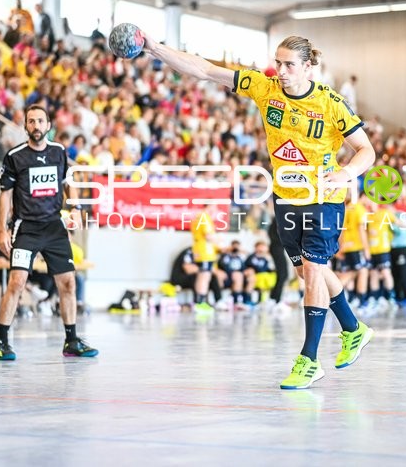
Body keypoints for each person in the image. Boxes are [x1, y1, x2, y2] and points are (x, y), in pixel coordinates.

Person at [141, 32, 375, 389]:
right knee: (308, 274)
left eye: (288, 65)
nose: (279, 70)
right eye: (277, 62)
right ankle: (353, 328)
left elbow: (366, 152)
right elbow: (204, 70)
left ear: (308, 68)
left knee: (312, 271)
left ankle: (309, 360)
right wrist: (154, 48)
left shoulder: (331, 104)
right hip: (285, 197)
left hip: (323, 199)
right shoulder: (264, 88)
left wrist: (343, 174)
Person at [0, 105, 98, 360]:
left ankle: (71, 341)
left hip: (53, 226)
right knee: (17, 282)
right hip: (26, 227)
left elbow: (67, 184)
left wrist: (73, 207)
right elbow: (5, 195)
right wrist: (1, 230)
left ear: (48, 125)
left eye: (41, 121)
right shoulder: (15, 156)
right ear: (26, 126)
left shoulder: (59, 152)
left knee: (68, 283)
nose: (36, 126)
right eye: (31, 121)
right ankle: (2, 342)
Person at [338, 191, 370, 310]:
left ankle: (351, 299)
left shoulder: (345, 209)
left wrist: (341, 247)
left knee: (350, 272)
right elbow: (361, 230)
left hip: (346, 246)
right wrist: (366, 249)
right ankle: (362, 302)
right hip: (357, 246)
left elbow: (341, 230)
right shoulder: (360, 209)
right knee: (362, 271)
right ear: (363, 197)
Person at [366, 198, 395, 310]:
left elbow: (397, 222)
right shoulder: (368, 216)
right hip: (372, 251)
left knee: (386, 272)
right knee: (373, 274)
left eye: (372, 202)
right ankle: (375, 298)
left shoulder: (384, 213)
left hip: (383, 250)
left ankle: (390, 297)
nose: (370, 204)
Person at [189, 207, 219, 315]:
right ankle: (201, 303)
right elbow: (208, 235)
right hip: (205, 252)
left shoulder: (197, 217)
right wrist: (219, 241)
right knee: (205, 277)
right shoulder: (204, 217)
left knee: (202, 276)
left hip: (199, 251)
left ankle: (198, 302)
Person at [214, 240, 246, 311]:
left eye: (237, 247)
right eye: (234, 246)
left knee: (238, 275)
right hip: (226, 277)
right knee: (220, 276)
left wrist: (241, 253)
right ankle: (220, 300)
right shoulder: (226, 256)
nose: (235, 248)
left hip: (237, 278)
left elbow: (244, 269)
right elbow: (222, 265)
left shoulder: (240, 257)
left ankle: (237, 301)